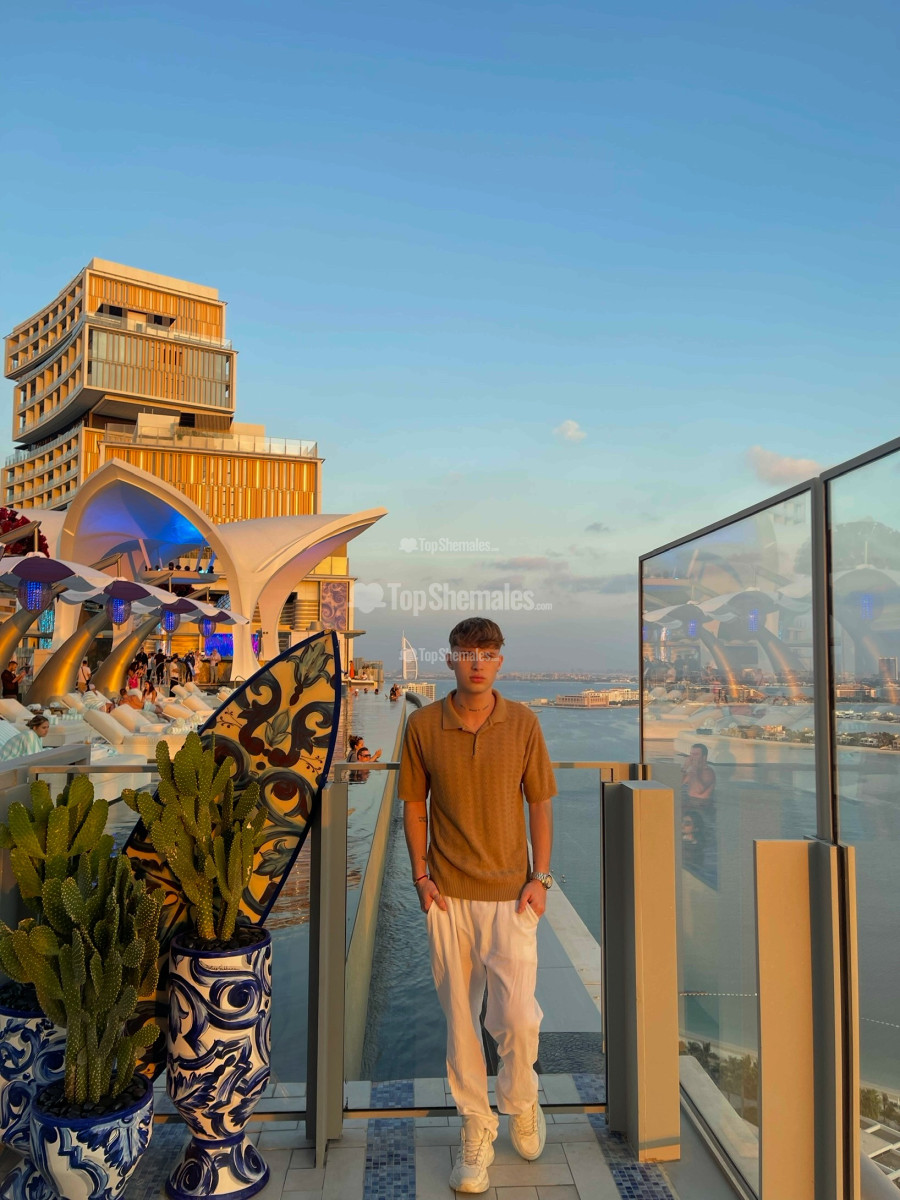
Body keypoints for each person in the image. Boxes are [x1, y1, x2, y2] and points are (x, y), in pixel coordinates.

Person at [399, 617, 556, 1194]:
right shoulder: (422, 726)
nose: (477, 663)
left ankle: (522, 1098)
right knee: (461, 1021)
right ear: (450, 660)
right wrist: (420, 876)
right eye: (467, 653)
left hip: (512, 896)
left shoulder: (524, 723)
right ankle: (475, 1123)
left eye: (487, 653)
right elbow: (414, 806)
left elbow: (540, 804)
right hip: (448, 897)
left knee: (517, 1016)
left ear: (499, 661)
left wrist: (541, 877)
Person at [681, 742, 716, 808]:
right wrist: (685, 767)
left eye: (696, 754)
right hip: (690, 802)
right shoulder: (693, 771)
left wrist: (694, 767)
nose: (692, 757)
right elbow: (678, 783)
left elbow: (699, 790)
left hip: (702, 806)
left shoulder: (708, 772)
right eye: (691, 754)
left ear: (704, 757)